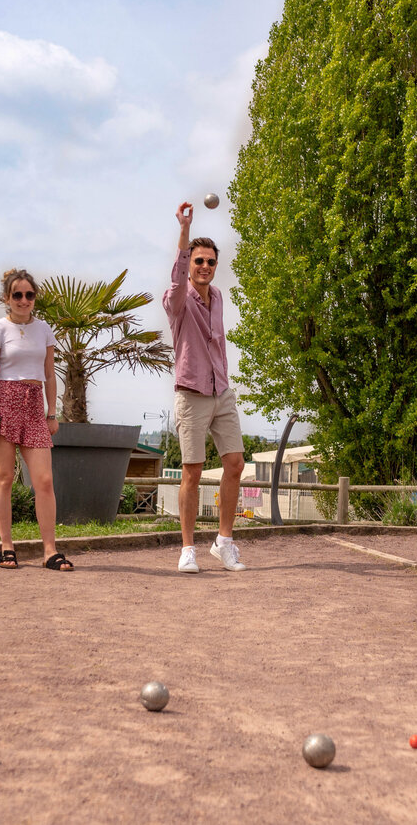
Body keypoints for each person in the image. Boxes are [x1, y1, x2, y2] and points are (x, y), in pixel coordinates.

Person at [162, 201, 247, 574]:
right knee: (192, 472)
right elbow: (177, 279)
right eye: (199, 261)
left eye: (210, 262)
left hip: (221, 393)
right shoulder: (177, 301)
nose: (205, 267)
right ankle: (187, 549)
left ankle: (223, 543)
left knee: (235, 463)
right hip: (191, 395)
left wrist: (223, 379)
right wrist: (185, 229)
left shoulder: (218, 299)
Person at [0, 269, 72, 571]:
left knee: (44, 480)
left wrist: (51, 412)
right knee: (4, 477)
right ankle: (6, 547)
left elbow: (49, 374)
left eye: (29, 294)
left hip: (34, 406)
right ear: (7, 298)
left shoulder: (43, 329)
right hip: (5, 403)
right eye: (17, 294)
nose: (24, 300)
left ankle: (50, 551)